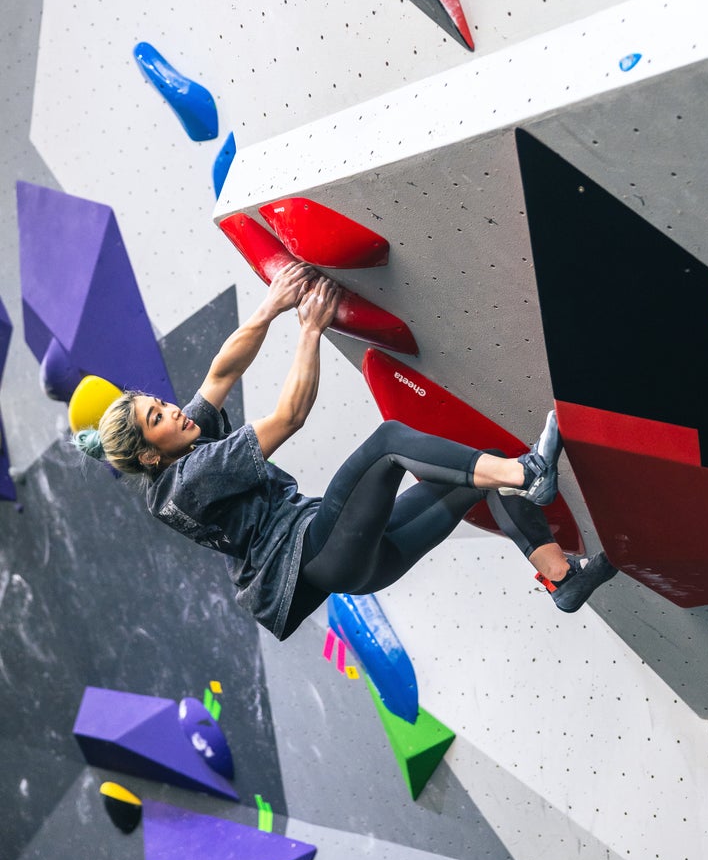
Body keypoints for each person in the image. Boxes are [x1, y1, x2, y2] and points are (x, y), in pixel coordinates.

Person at [74, 261, 617, 640]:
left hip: (360, 564)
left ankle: (561, 579)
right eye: (157, 418)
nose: (171, 410)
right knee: (388, 444)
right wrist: (308, 329)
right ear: (150, 455)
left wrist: (270, 306)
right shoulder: (190, 479)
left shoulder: (179, 446)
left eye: (160, 404)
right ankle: (532, 474)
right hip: (316, 549)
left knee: (477, 462)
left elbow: (223, 371)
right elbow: (289, 417)